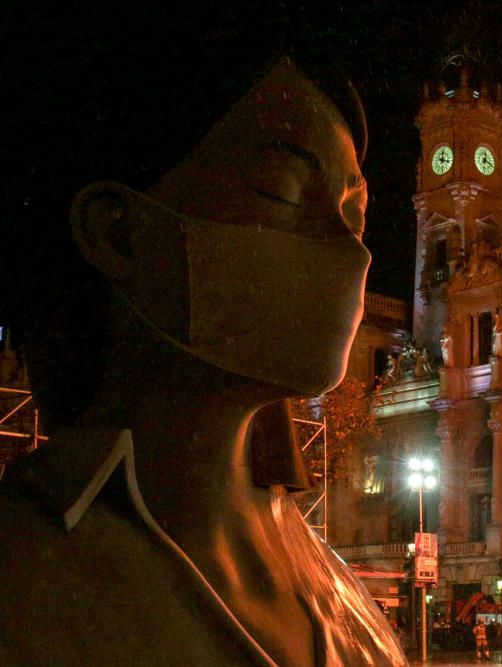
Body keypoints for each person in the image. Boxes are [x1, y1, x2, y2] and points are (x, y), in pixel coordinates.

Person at [0, 5, 404, 665]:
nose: (351, 254)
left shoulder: (337, 584)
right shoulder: (23, 584)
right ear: (118, 231)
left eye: (354, 215)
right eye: (282, 189)